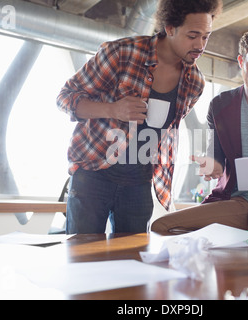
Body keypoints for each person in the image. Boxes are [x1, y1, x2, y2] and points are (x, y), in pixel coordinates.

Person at [56, 0, 223, 234]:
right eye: (193, 35)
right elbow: (65, 97)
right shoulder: (122, 53)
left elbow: (165, 132)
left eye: (206, 36)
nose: (200, 45)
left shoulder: (194, 82)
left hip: (139, 183)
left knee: (132, 261)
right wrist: (112, 110)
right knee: (81, 258)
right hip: (94, 175)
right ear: (170, 28)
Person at [151, 26, 248, 235]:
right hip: (227, 200)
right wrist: (211, 166)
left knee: (162, 226)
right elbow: (215, 158)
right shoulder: (219, 106)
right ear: (241, 61)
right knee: (182, 240)